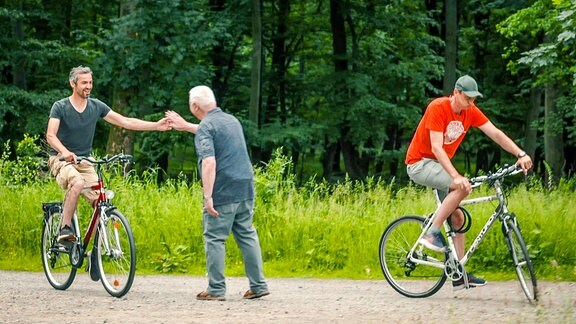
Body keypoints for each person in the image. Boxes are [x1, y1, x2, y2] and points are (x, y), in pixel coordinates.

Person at [405, 75, 533, 290]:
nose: (470, 104)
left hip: (439, 166)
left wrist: (520, 153)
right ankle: (432, 233)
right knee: (461, 186)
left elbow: (496, 134)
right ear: (456, 93)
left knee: (458, 217)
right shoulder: (438, 107)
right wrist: (455, 176)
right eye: (467, 99)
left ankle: (457, 273)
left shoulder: (470, 111)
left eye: (473, 100)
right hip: (421, 163)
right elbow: (436, 148)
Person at [165, 85, 269, 301]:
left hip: (224, 189)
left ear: (194, 105)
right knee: (247, 234)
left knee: (214, 238)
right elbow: (210, 130)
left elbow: (209, 163)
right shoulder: (231, 120)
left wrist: (208, 196)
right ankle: (259, 285)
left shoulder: (206, 127)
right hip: (246, 186)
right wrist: (186, 127)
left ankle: (216, 289)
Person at [46, 66, 170, 243]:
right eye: (84, 83)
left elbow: (125, 122)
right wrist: (65, 152)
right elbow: (50, 135)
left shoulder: (96, 106)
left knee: (101, 203)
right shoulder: (60, 107)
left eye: (90, 82)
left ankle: (95, 256)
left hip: (85, 161)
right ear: (73, 84)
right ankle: (64, 229)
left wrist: (156, 126)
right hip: (60, 159)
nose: (88, 86)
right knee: (78, 182)